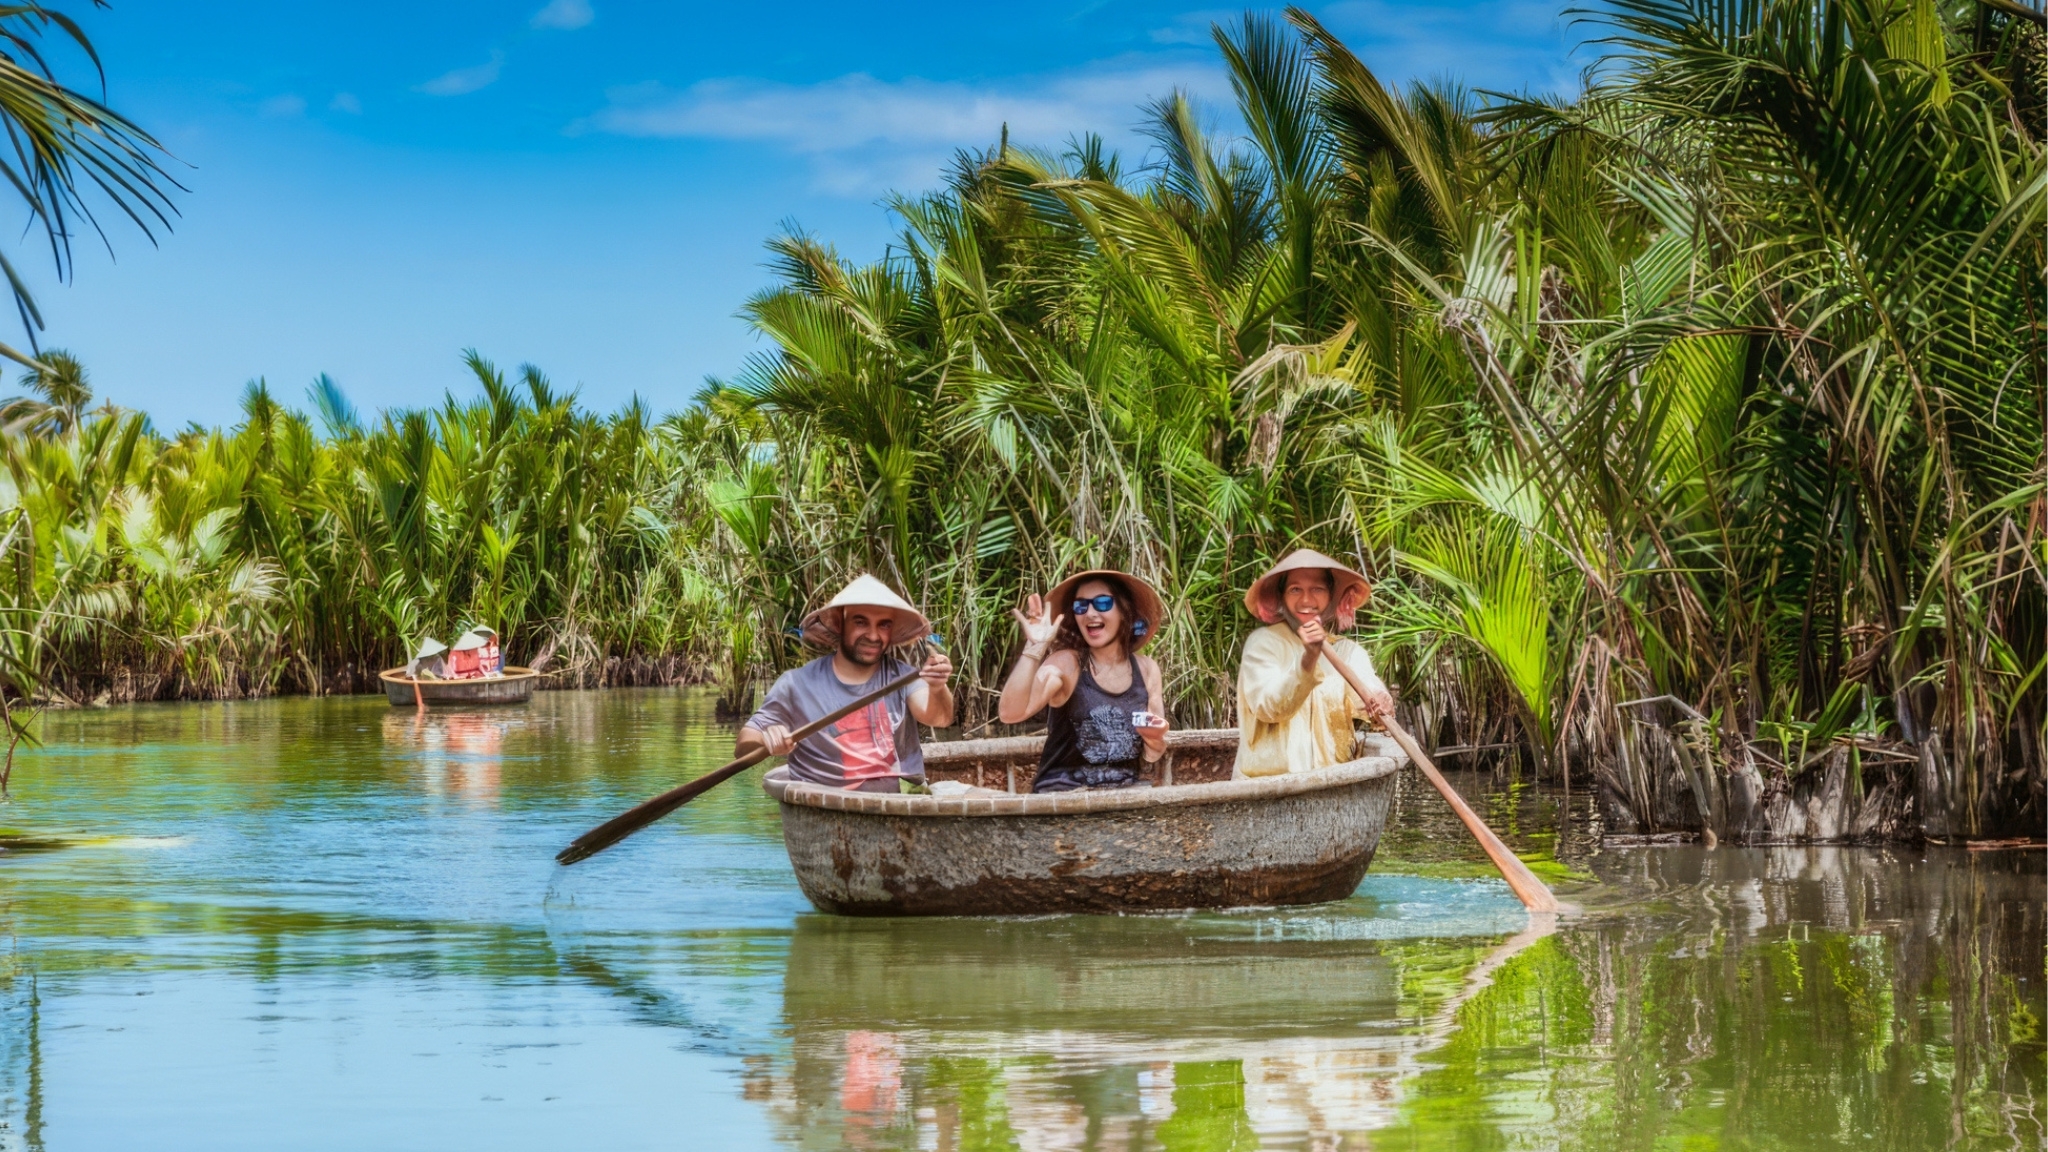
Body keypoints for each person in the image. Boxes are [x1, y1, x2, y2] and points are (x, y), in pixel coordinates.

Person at [738, 574, 955, 792]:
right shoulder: (796, 683)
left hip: (895, 805)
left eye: (883, 625)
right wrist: (767, 740)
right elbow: (744, 745)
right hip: (823, 804)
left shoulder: (904, 677)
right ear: (841, 624)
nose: (873, 635)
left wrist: (937, 688)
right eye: (861, 622)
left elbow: (940, 718)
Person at [998, 569, 1170, 792]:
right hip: (1063, 797)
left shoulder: (1147, 669)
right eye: (1081, 606)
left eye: (1102, 603)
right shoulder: (1067, 664)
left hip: (1122, 797)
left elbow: (1153, 752)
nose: (1090, 613)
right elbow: (1010, 713)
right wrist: (1035, 648)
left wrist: (1155, 740)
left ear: (1124, 611)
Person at [1235, 549, 1395, 778]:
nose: (1307, 600)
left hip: (1333, 779)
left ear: (1331, 596)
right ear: (1281, 597)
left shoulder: (1347, 652)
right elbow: (1269, 708)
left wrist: (1380, 701)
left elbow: (1368, 690)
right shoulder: (1262, 644)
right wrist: (1308, 660)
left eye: (1317, 589)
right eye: (1295, 590)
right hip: (1268, 783)